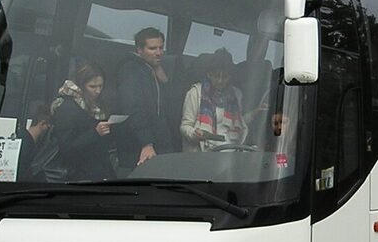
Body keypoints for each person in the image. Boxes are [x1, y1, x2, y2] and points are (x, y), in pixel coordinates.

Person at [114, 27, 178, 168]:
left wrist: (164, 81)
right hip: (138, 146)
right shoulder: (131, 70)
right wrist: (146, 143)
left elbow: (165, 108)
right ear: (139, 50)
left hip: (160, 142)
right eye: (152, 48)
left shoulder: (153, 69)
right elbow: (133, 108)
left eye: (161, 48)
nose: (159, 53)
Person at [50, 61, 115, 181]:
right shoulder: (68, 108)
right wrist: (95, 133)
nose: (97, 91)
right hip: (77, 174)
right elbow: (66, 148)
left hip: (99, 170)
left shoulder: (99, 104)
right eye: (92, 86)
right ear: (81, 85)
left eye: (101, 86)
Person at [180, 49, 248, 151]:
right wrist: (195, 134)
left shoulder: (237, 95)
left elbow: (242, 124)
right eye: (216, 76)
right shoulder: (195, 93)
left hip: (232, 154)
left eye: (225, 76)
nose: (220, 80)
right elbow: (185, 126)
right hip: (204, 154)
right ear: (209, 74)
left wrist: (256, 112)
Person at [15, 106, 54, 182]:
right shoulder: (25, 144)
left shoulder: (23, 138)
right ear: (42, 123)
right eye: (48, 127)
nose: (49, 131)